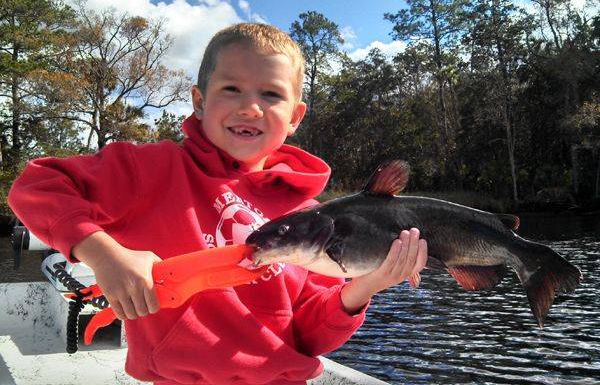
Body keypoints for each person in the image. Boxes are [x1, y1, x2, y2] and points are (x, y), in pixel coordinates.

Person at [8, 23, 427, 385]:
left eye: (271, 94)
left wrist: (367, 285)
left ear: (296, 116)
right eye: (231, 89)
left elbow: (311, 334)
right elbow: (37, 185)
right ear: (199, 100)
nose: (250, 106)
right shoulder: (151, 170)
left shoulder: (314, 217)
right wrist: (105, 254)